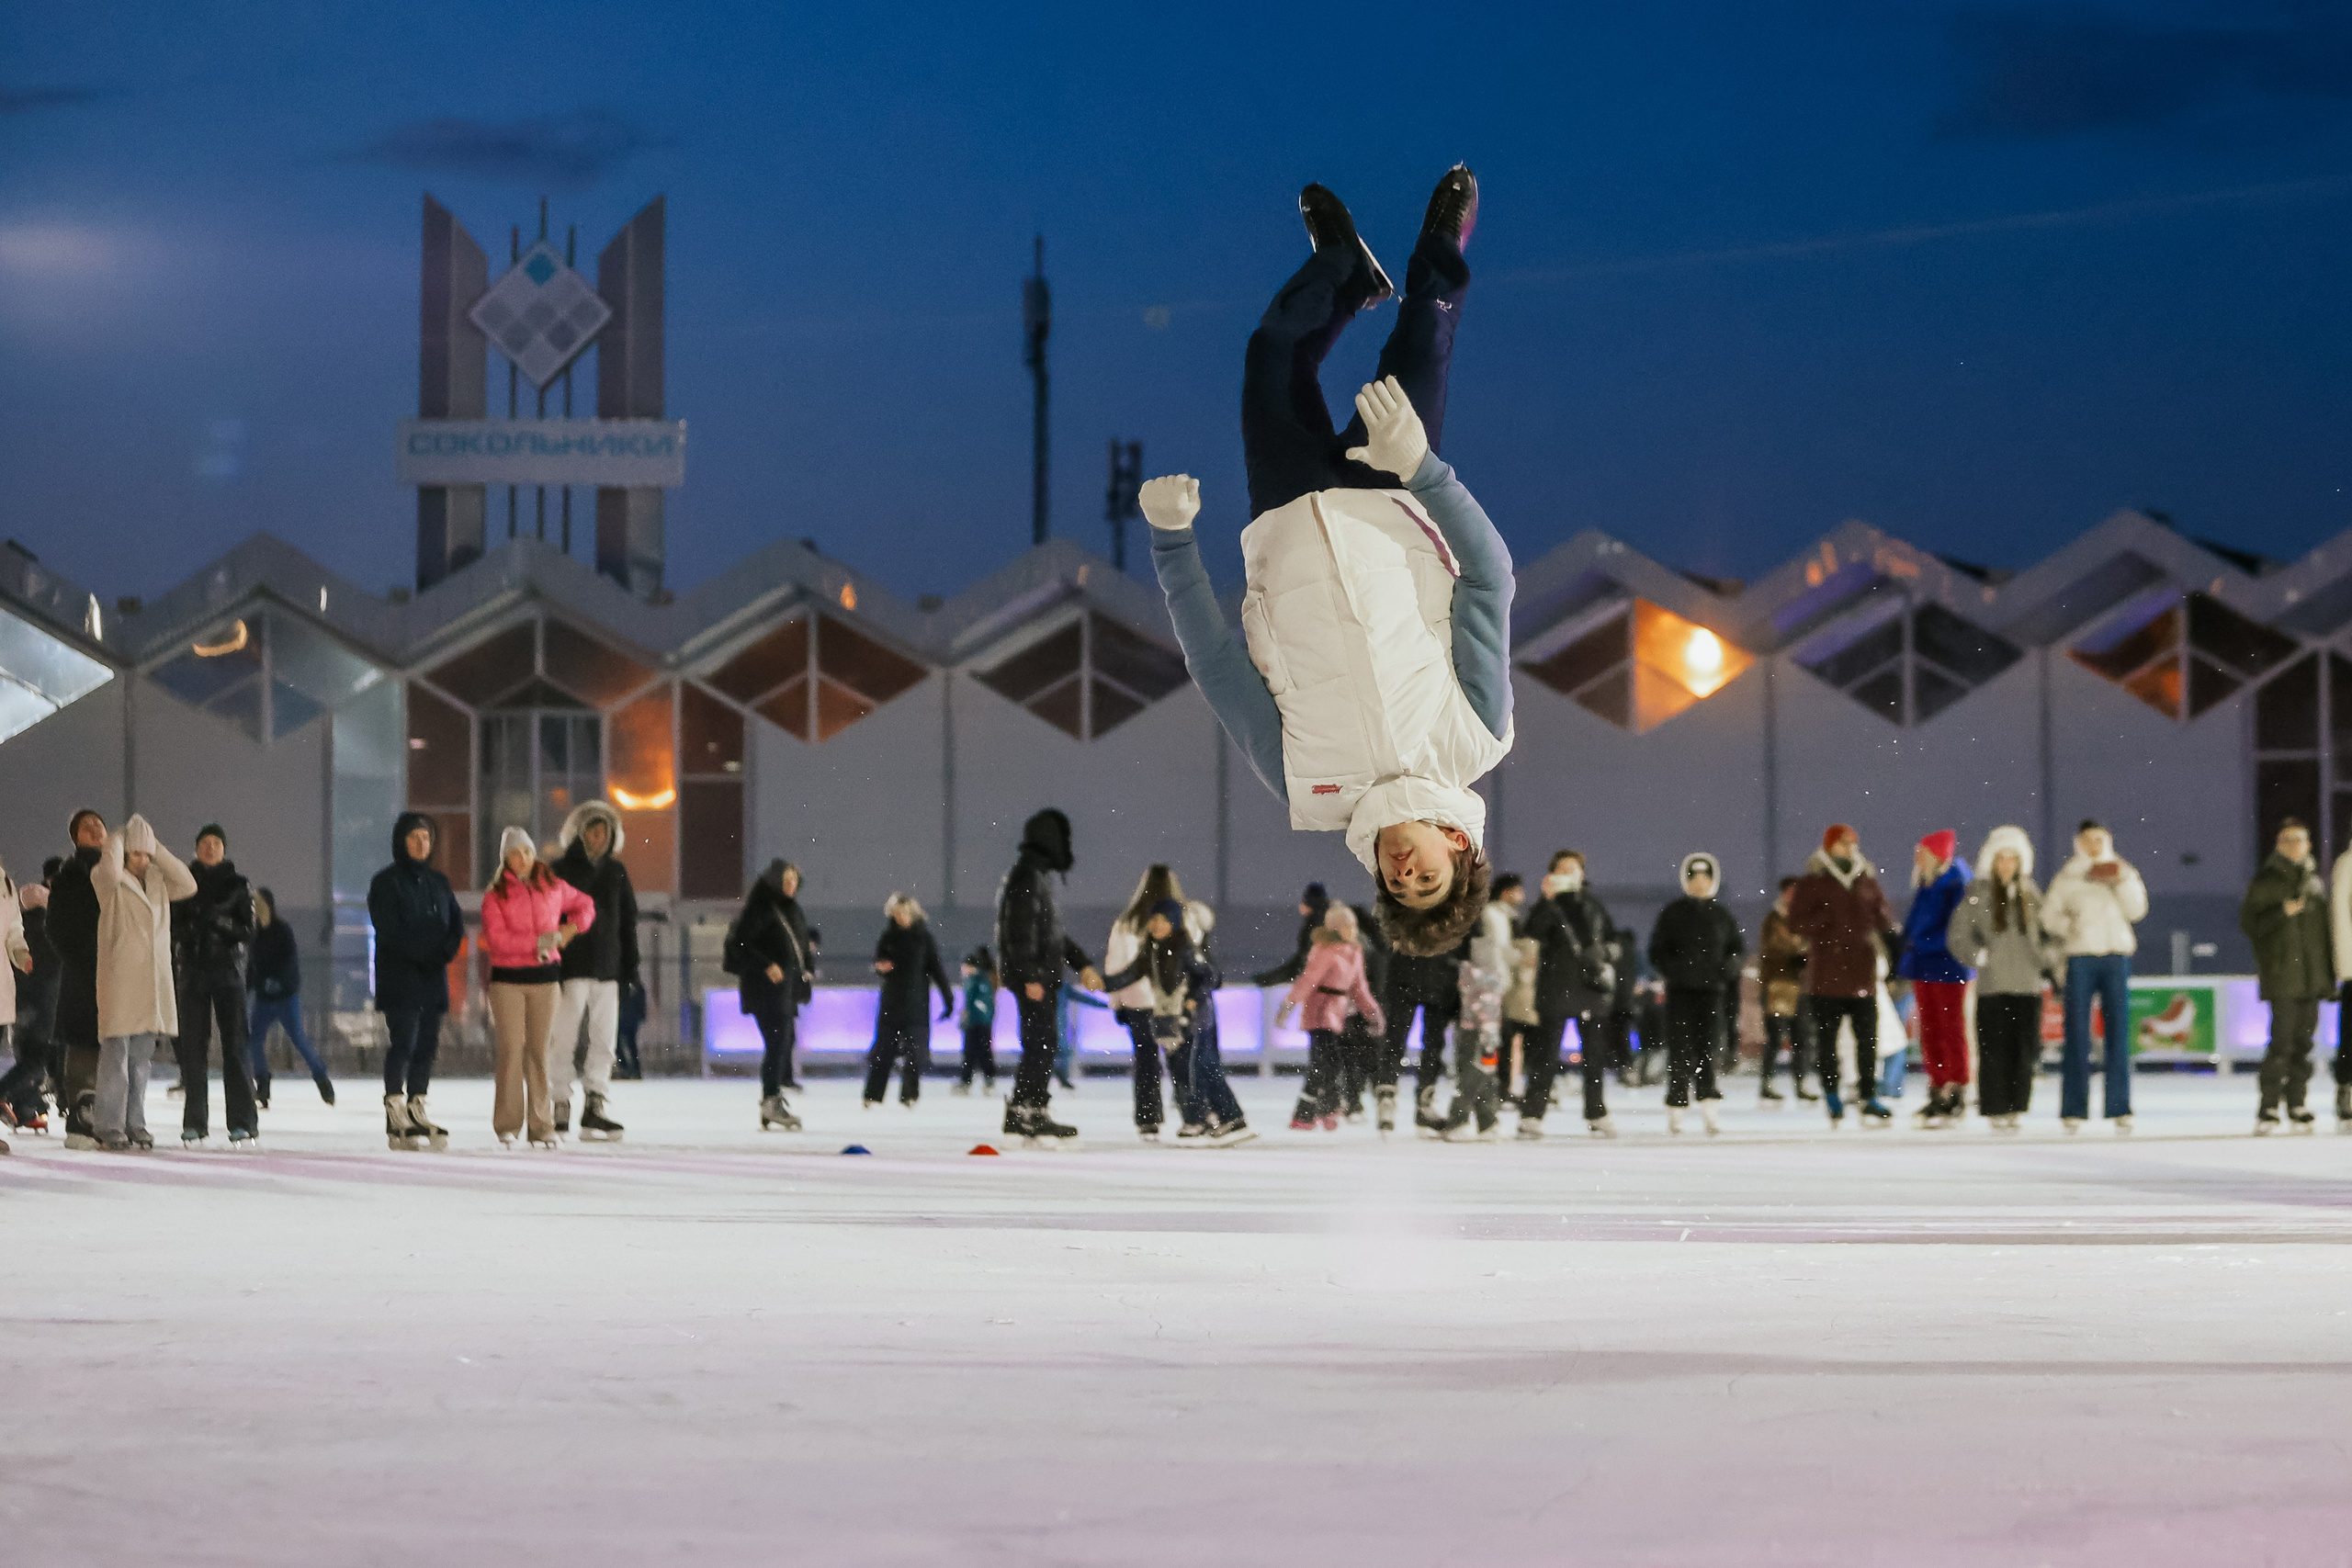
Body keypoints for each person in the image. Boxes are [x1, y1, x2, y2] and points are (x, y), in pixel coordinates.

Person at [1140, 167, 1510, 959]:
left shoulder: (1304, 787)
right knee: (1423, 338)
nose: (1406, 872)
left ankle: (1343, 268)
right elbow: (1488, 578)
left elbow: (1214, 665)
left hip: (1286, 515)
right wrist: (1421, 468)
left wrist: (1172, 542)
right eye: (1428, 880)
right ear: (1461, 850)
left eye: (1398, 887)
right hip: (1391, 491)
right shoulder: (1475, 738)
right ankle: (1443, 244)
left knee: (1273, 355)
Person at [993, 808, 1103, 1145]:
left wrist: (1081, 963)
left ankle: (1026, 1109)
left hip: (1038, 974)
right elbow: (1019, 933)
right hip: (1034, 977)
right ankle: (1029, 1110)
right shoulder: (1027, 877)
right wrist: (1031, 976)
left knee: (1043, 1043)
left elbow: (1051, 935)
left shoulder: (1035, 876)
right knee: (1041, 1043)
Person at [479, 827, 594, 1149]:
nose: (524, 858)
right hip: (508, 983)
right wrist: (538, 943)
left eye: (528, 851)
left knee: (540, 1052)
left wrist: (569, 929)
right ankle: (507, 1123)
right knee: (512, 1050)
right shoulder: (495, 896)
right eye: (516, 853)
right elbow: (497, 941)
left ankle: (541, 1125)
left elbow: (586, 906)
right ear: (506, 859)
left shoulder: (553, 886)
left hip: (545, 980)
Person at [89, 816, 196, 1152]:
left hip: (152, 984)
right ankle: (109, 1125)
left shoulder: (159, 882)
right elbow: (106, 870)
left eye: (146, 854)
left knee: (140, 1060)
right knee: (116, 1056)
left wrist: (154, 846)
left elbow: (189, 883)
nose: (143, 860)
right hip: (121, 980)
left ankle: (135, 1123)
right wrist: (118, 840)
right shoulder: (110, 881)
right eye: (136, 853)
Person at [1105, 897, 1247, 1145]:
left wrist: (1192, 1000)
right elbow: (1129, 975)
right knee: (1186, 1069)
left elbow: (1211, 977)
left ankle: (1206, 1119)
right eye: (1153, 920)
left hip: (1195, 1019)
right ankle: (1219, 1117)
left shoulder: (1184, 948)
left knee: (1196, 1068)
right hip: (1169, 1019)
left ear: (1173, 923)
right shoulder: (1151, 950)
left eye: (1162, 920)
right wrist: (1103, 983)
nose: (1156, 925)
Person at [1789, 824, 1899, 1127]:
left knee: (1868, 1040)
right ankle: (1832, 1093)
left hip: (1862, 972)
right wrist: (1825, 921)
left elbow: (1883, 917)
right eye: (1842, 843)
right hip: (1827, 974)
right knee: (1828, 1042)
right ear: (1828, 847)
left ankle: (1868, 1096)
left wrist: (1890, 941)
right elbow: (1796, 922)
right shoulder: (1814, 881)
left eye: (1852, 842)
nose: (1848, 848)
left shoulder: (1866, 880)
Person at [2041, 818, 2148, 1134]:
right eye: (2087, 840)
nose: (2094, 845)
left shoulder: (2124, 871)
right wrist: (2069, 927)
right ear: (2078, 843)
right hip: (2080, 956)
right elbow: (2048, 916)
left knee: (2118, 1033)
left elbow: (2137, 910)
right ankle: (2073, 1108)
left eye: (2099, 839)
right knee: (2075, 1032)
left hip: (2115, 955)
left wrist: (2119, 883)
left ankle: (2120, 1106)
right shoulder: (2069, 876)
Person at [368, 812, 466, 1152]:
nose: (421, 844)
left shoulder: (438, 883)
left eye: (426, 838)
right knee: (403, 1043)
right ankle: (395, 1109)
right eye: (414, 838)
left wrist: (443, 953)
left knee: (427, 1046)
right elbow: (390, 928)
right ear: (401, 842)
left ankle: (417, 1105)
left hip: (432, 978)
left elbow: (455, 925)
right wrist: (422, 952)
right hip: (401, 978)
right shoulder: (386, 883)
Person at [544, 801, 639, 1142]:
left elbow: (627, 923)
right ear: (578, 832)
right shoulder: (559, 870)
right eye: (592, 830)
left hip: (608, 969)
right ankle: (559, 1101)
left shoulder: (616, 873)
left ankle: (595, 1104)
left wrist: (631, 969)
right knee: (563, 1037)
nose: (598, 837)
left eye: (604, 832)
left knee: (604, 1040)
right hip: (570, 968)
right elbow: (547, 917)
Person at [1951, 827, 2051, 1132]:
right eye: (2001, 858)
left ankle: (2017, 1106)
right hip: (1993, 986)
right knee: (1994, 1049)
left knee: (2025, 1049)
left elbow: (2050, 933)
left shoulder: (2031, 894)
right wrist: (1977, 956)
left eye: (2012, 859)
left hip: (2028, 985)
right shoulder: (1977, 894)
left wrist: (2046, 961)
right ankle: (1995, 1107)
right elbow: (1958, 935)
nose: (2007, 865)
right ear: (1991, 861)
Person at [1105, 866, 1215, 1137]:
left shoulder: (1127, 922)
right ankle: (1194, 1113)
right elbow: (1198, 956)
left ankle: (1148, 1118)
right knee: (1183, 1061)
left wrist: (1116, 1002)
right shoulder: (1184, 917)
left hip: (1137, 1002)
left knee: (1145, 1060)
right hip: (1173, 1002)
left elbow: (1116, 965)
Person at [2242, 818, 2332, 1134]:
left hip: (2312, 976)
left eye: (2300, 840)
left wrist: (2327, 976)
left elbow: (2326, 934)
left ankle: (2297, 1102)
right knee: (2281, 1042)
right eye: (2288, 840)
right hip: (2282, 975)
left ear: (2308, 845)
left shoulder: (2315, 883)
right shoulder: (2266, 881)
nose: (2295, 846)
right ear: (2279, 846)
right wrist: (2281, 912)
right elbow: (2250, 925)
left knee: (2304, 1043)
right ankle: (2268, 1106)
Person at [169, 824, 257, 1146]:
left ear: (224, 849)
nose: (210, 848)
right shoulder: (182, 882)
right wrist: (194, 929)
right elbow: (173, 928)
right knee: (194, 1050)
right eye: (205, 843)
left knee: (235, 1046)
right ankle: (194, 1123)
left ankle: (243, 1121)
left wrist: (216, 922)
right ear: (196, 848)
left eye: (216, 843)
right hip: (193, 971)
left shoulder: (237, 884)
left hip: (228, 972)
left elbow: (248, 930)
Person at [1519, 849, 1617, 1138]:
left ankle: (1596, 1111)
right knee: (1545, 1056)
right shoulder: (1548, 906)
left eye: (1575, 869)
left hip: (1591, 988)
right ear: (1552, 874)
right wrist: (1545, 900)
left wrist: (1607, 951)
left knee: (1595, 1058)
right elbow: (1531, 932)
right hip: (1555, 988)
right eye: (1563, 869)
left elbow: (1614, 940)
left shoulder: (1594, 906)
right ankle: (1533, 1113)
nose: (1570, 874)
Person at [1648, 852, 1743, 1135]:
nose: (1700, 884)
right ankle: (1676, 1107)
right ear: (1686, 881)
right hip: (1680, 993)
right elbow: (1657, 950)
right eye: (1694, 878)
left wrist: (1728, 967)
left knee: (1709, 1050)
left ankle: (1709, 1105)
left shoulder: (1722, 915)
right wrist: (1674, 970)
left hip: (1712, 992)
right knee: (1679, 1051)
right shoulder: (1673, 913)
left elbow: (1737, 948)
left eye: (1705, 878)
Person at [1283, 907, 1385, 1134]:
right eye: (1348, 926)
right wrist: (1289, 1004)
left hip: (1337, 1013)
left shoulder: (1354, 952)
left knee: (1330, 1063)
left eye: (1354, 926)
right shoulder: (1324, 950)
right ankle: (1306, 1111)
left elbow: (1359, 989)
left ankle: (1325, 1108)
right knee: (1325, 1062)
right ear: (1336, 929)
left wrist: (1372, 1012)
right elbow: (1307, 980)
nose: (1353, 931)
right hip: (1318, 1011)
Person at [1896, 829, 1974, 1129]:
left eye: (1922, 852)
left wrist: (1922, 943)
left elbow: (1955, 929)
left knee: (1949, 1028)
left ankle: (1955, 1088)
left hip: (1948, 964)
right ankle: (1938, 1084)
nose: (1917, 858)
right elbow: (1915, 923)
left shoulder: (1955, 884)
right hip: (1924, 965)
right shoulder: (1927, 884)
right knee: (1930, 1029)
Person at [729, 860, 813, 1132]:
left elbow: (800, 944)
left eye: (794, 880)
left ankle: (771, 1099)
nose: (791, 885)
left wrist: (807, 968)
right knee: (778, 1043)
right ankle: (771, 1100)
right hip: (765, 990)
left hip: (784, 990)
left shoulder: (792, 910)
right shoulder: (762, 908)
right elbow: (741, 943)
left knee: (782, 1043)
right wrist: (766, 964)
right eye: (786, 880)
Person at [51, 809, 107, 1149]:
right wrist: (83, 956)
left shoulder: (118, 870)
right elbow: (55, 926)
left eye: (99, 824)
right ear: (76, 838)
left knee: (112, 1047)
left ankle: (107, 1119)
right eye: (87, 827)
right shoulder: (70, 874)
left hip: (116, 972)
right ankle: (80, 1119)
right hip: (84, 972)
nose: (95, 829)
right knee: (83, 1042)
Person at [245, 887, 333, 1107]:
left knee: (298, 1038)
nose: (256, 909)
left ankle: (321, 1078)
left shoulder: (282, 930)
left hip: (284, 997)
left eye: (259, 904)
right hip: (265, 999)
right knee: (255, 1040)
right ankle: (262, 1084)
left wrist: (280, 982)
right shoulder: (256, 933)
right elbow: (253, 966)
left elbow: (288, 961)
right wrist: (250, 986)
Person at [865, 893, 954, 1108]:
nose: (901, 918)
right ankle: (873, 1096)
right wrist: (881, 968)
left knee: (916, 1053)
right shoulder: (888, 937)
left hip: (916, 1005)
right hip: (892, 1004)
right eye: (897, 914)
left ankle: (909, 1095)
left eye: (904, 913)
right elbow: (879, 962)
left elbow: (937, 969)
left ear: (913, 914)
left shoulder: (924, 938)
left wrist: (948, 998)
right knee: (884, 1051)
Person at [0, 861, 61, 1131]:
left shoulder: (6, 885)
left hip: (8, 990)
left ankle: (22, 1105)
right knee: (34, 1058)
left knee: (32, 1058)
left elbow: (13, 932)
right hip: (31, 999)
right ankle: (23, 1104)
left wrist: (21, 953)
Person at [1756, 877, 1812, 1104]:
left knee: (1802, 1037)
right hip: (1777, 986)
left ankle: (1801, 1083)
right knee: (1775, 1037)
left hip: (1801, 986)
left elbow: (1810, 950)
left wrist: (1797, 949)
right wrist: (1797, 950)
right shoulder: (1773, 920)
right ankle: (1767, 1083)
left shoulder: (1806, 921)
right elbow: (1774, 951)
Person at [955, 946, 998, 1096]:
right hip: (979, 1022)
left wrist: (969, 1017)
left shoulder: (978, 981)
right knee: (977, 1052)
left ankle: (980, 1080)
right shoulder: (978, 981)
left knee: (974, 1052)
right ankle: (982, 1079)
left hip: (978, 1023)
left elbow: (978, 1004)